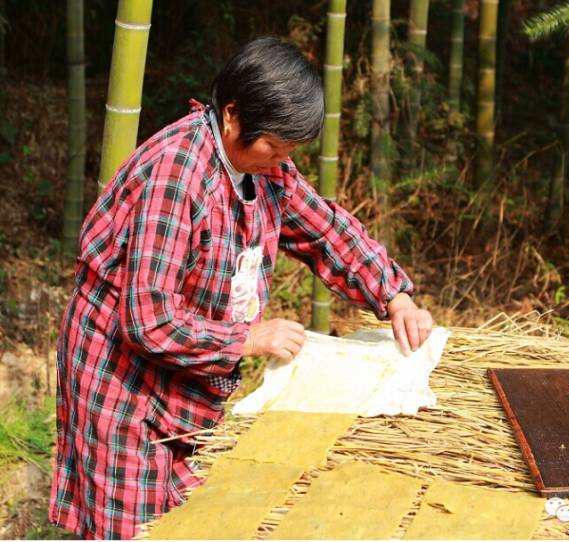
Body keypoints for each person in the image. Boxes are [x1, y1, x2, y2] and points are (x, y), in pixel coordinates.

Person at [49, 36, 433, 539]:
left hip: (188, 371)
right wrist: (248, 339)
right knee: (132, 525)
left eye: (289, 151)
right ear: (232, 115)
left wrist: (393, 296)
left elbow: (326, 230)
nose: (281, 160)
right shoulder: (176, 176)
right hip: (122, 377)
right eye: (274, 146)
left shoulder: (267, 169)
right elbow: (149, 320)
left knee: (182, 518)